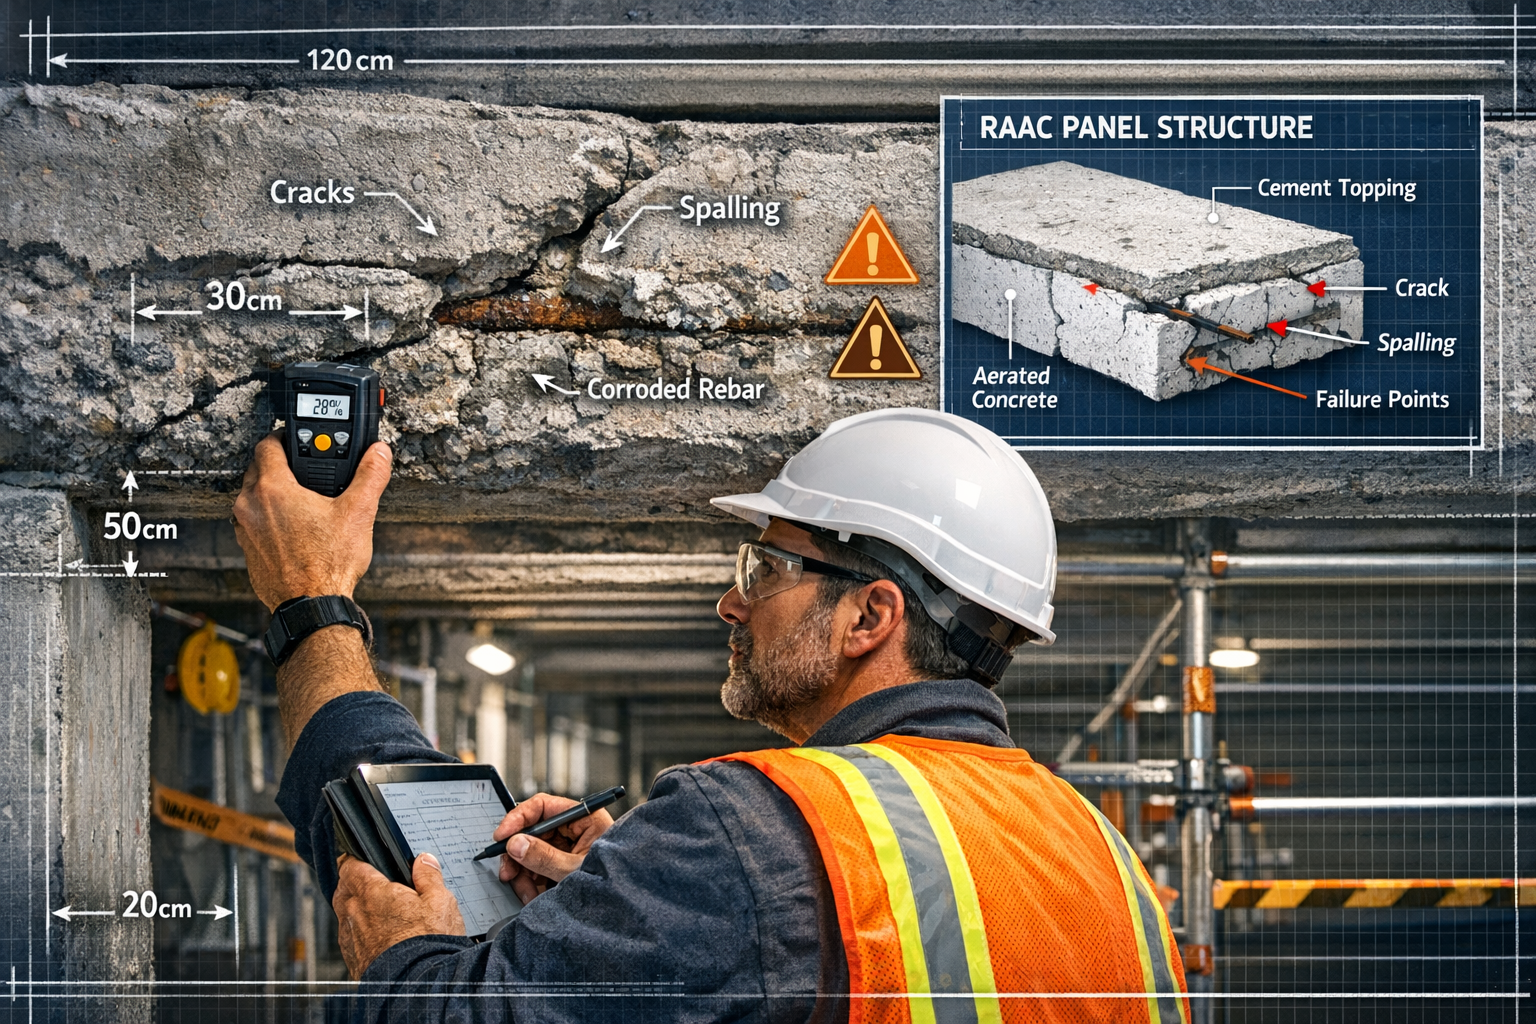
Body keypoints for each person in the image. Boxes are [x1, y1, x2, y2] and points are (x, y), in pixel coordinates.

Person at [234, 407, 1189, 1023]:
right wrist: (634, 899)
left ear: (871, 616)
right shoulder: (1100, 854)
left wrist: (311, 601)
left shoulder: (756, 827)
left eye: (765, 570)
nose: (732, 604)